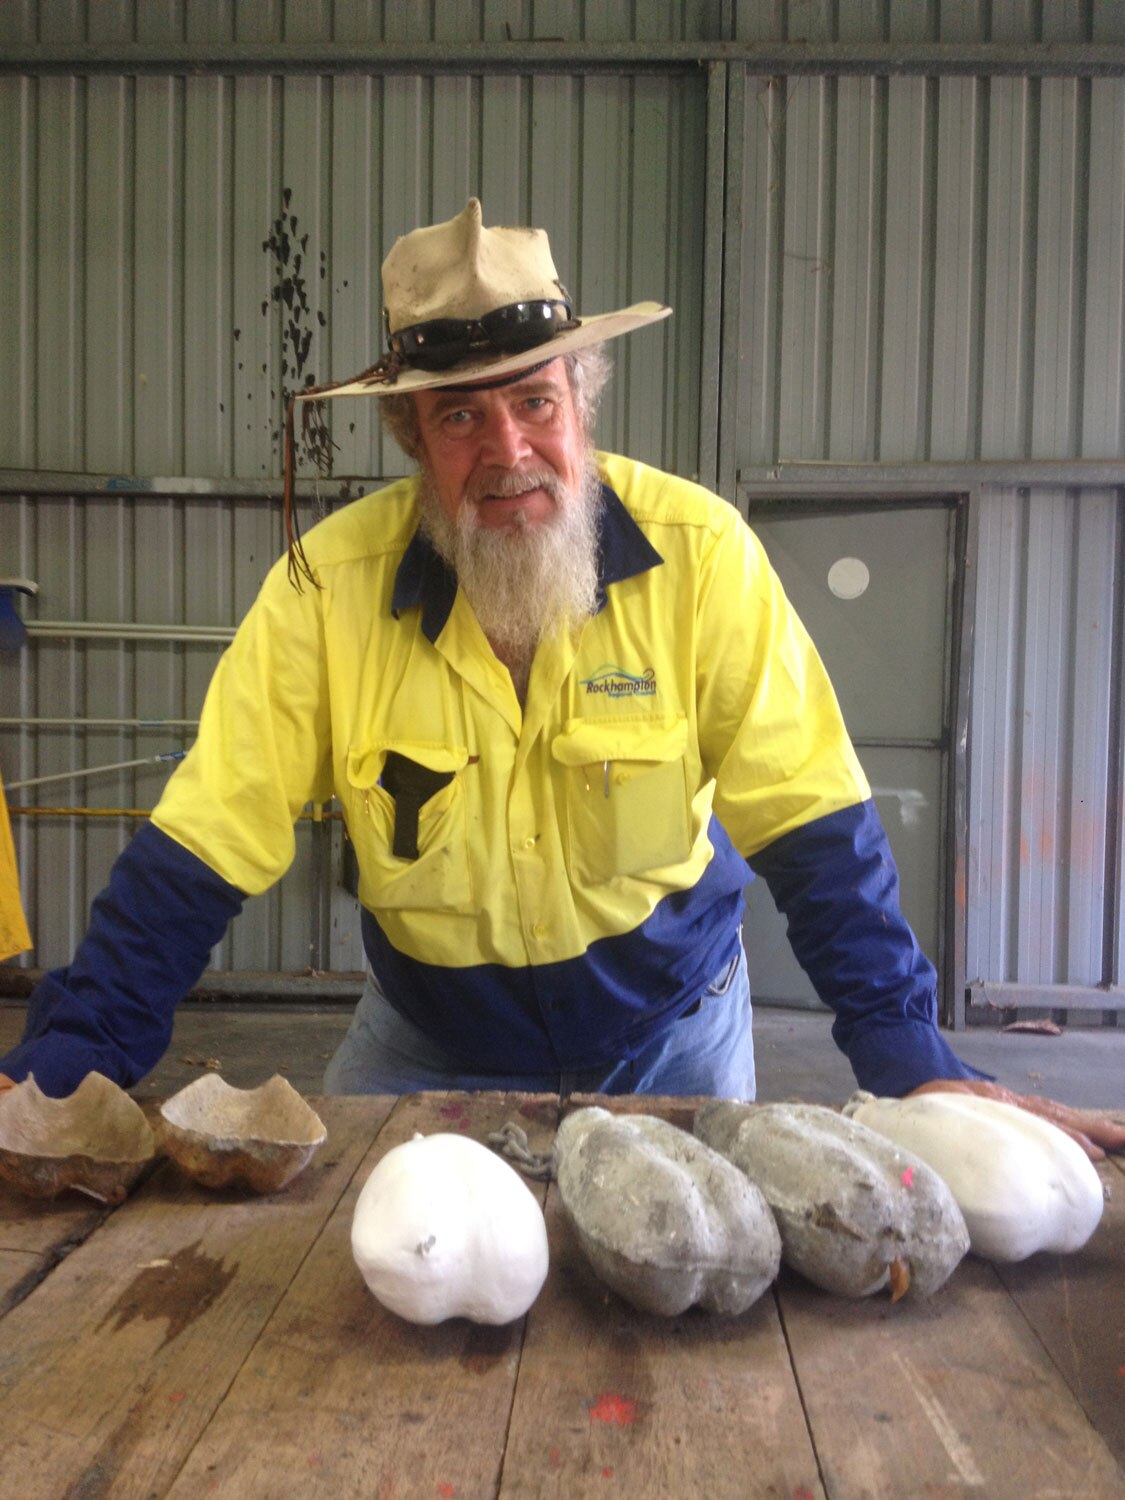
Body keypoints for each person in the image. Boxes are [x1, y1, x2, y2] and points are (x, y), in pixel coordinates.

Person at [1, 201, 1121, 1158]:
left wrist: (909, 1061)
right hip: (423, 1041)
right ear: (409, 436)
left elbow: (815, 826)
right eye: (459, 415)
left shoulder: (704, 557)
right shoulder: (324, 593)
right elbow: (200, 847)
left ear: (583, 397)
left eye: (534, 400)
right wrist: (63, 1075)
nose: (508, 450)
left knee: (697, 1300)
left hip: (678, 1030)